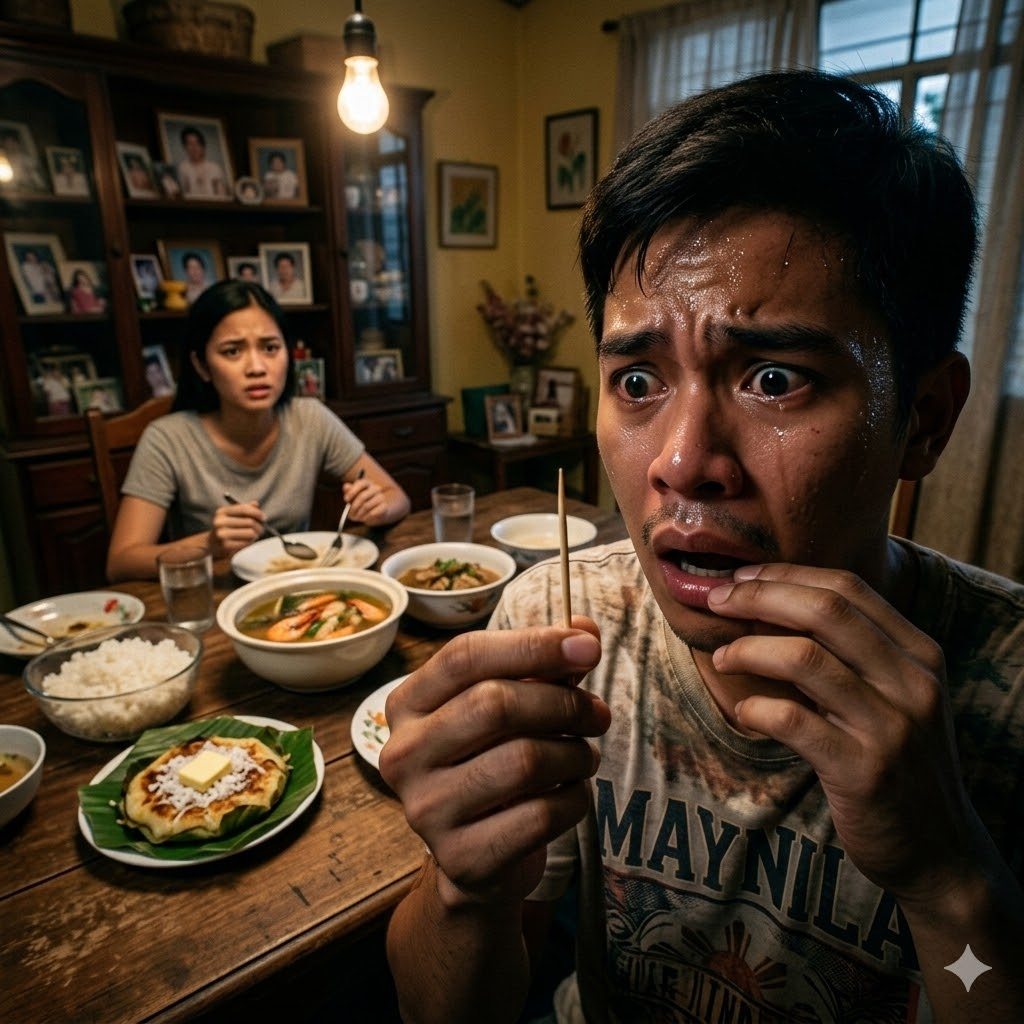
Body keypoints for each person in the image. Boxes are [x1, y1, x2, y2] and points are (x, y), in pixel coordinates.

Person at [379, 71, 1024, 1023]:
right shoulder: (562, 632)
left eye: (773, 377)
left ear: (924, 418)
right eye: (638, 381)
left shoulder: (1009, 691)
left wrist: (946, 884)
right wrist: (465, 891)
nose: (682, 464)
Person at [106, 279, 411, 581]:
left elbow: (397, 498)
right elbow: (121, 561)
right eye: (232, 351)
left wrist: (378, 507)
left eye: (269, 347)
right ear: (201, 365)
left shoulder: (310, 418)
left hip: (301, 587)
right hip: (214, 600)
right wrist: (209, 544)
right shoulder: (167, 438)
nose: (256, 367)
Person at [176, 125, 228, 199]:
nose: (194, 147)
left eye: (197, 143)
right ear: (185, 147)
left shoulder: (214, 167)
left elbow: (222, 196)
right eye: (190, 144)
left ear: (203, 146)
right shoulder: (182, 168)